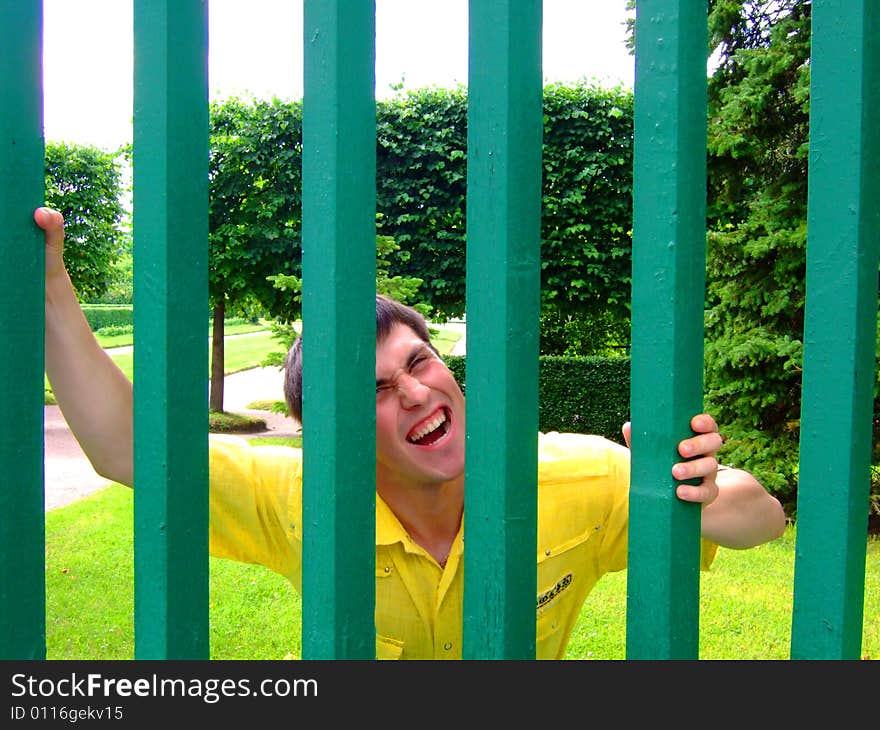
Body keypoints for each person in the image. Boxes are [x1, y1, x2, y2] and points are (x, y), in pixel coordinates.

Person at [36, 206, 786, 659]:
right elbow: (126, 447)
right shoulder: (299, 496)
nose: (418, 391)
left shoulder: (574, 474)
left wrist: (708, 493)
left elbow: (764, 516)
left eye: (419, 361)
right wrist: (51, 287)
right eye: (376, 391)